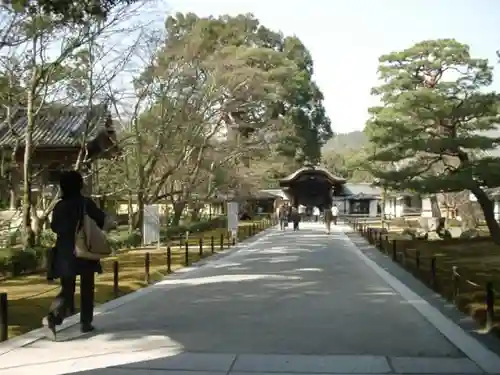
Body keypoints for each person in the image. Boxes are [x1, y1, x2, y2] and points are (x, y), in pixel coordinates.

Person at [44, 170, 114, 340]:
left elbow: (54, 227)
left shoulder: (59, 206)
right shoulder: (85, 203)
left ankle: (53, 317)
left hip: (65, 252)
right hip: (85, 249)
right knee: (87, 287)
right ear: (80, 185)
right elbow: (99, 220)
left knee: (67, 290)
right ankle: (85, 322)